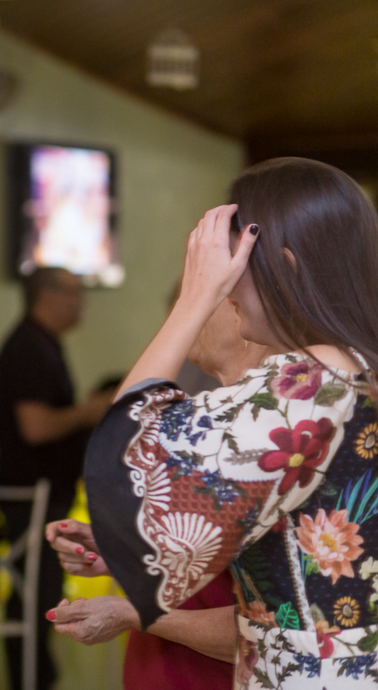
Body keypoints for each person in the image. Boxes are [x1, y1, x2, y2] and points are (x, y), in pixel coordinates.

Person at [85, 158, 378, 687]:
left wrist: (193, 300)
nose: (229, 291)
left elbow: (126, 470)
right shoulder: (359, 371)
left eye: (235, 270)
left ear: (284, 270)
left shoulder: (310, 384)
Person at [45, 297, 277, 689]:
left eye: (201, 298)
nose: (180, 320)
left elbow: (278, 628)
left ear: (245, 312)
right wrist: (128, 549)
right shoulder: (210, 421)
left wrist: (132, 613)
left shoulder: (268, 440)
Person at [0, 266, 112, 689]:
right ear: (48, 296)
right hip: (31, 494)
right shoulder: (29, 348)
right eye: (75, 294)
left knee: (42, 593)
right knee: (34, 598)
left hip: (45, 491)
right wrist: (89, 411)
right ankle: (31, 679)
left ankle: (38, 674)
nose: (82, 305)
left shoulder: (43, 344)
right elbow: (35, 427)